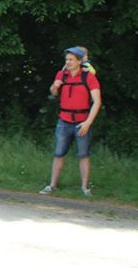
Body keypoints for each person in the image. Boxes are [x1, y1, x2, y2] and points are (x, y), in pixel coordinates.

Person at [40, 46, 102, 197]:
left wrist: (88, 123)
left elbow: (97, 101)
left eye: (71, 60)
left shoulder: (89, 77)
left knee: (83, 155)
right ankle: (52, 185)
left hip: (82, 122)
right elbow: (54, 93)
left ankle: (84, 188)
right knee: (58, 153)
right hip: (64, 121)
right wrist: (54, 86)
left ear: (79, 61)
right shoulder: (61, 74)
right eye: (66, 59)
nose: (67, 62)